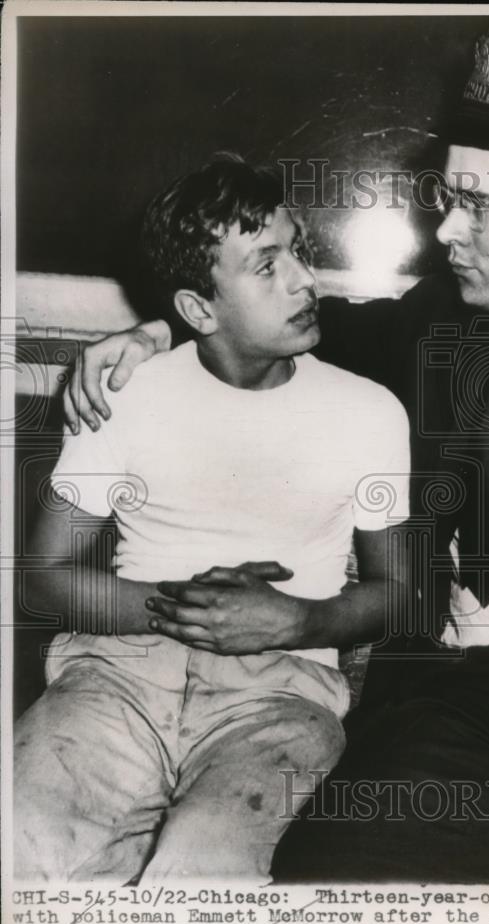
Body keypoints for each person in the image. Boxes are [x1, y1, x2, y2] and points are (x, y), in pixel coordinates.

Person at [64, 35, 489, 885]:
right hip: (449, 704)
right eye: (446, 198)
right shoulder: (437, 322)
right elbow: (301, 330)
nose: (446, 229)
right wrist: (159, 330)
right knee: (326, 892)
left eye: (478, 204)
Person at [14, 157, 410, 881]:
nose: (303, 279)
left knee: (203, 874)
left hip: (280, 696)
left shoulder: (369, 411)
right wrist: (189, 608)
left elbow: (399, 592)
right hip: (115, 678)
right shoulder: (122, 392)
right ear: (198, 309)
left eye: (301, 251)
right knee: (22, 846)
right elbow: (42, 580)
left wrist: (293, 621)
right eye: (267, 265)